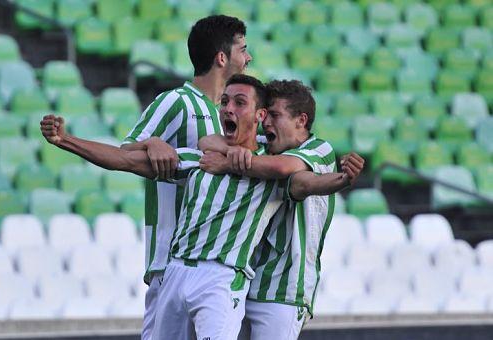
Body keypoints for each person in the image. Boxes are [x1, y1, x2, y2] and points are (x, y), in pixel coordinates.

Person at [40, 74, 358, 339]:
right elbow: (125, 160)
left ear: (259, 116)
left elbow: (304, 182)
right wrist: (65, 141)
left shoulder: (274, 169)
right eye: (225, 102)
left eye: (239, 102)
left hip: (224, 279)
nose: (228, 109)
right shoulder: (203, 157)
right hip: (176, 270)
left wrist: (342, 179)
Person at [197, 79, 364, 340]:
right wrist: (236, 154)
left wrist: (343, 180)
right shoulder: (266, 145)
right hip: (244, 284)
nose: (266, 123)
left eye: (275, 115)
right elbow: (207, 141)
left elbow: (292, 175)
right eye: (266, 115)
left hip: (284, 291)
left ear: (301, 120)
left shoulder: (318, 149)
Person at [119, 15, 251, 340]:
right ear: (222, 57)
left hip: (218, 267)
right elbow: (127, 150)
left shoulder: (233, 114)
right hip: (170, 261)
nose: (248, 58)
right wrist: (152, 142)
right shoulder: (176, 102)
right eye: (243, 50)